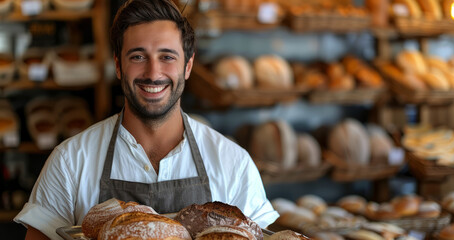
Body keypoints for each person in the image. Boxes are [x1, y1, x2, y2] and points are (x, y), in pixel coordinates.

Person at [14, 0, 279, 239]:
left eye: (167, 57)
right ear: (118, 65)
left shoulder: (233, 163)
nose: (153, 73)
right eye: (138, 56)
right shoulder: (70, 161)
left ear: (187, 66)